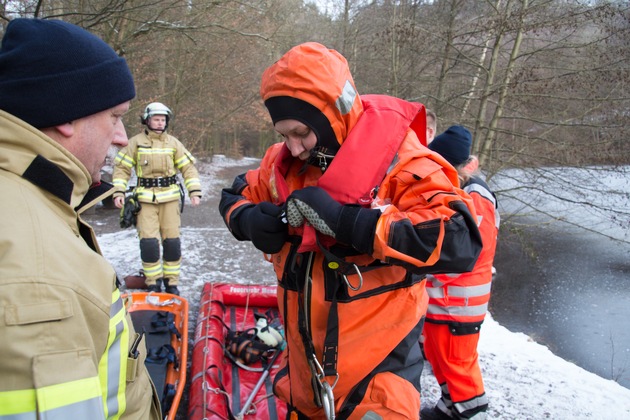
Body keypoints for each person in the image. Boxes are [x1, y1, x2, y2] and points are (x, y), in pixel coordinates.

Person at [219, 42, 483, 419]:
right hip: (304, 377)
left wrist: (352, 223)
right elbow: (234, 196)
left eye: (301, 133)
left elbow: (461, 240)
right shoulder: (282, 166)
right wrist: (248, 220)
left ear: (332, 116)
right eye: (283, 134)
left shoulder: (405, 164)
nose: (292, 148)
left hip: (378, 376)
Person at [0, 18, 160, 419]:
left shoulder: (35, 197)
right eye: (114, 116)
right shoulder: (38, 271)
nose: (122, 136)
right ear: (65, 115)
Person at [421, 126, 500, 420]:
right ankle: (449, 407)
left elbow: (468, 251)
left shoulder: (475, 196)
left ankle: (471, 412)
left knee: (458, 364)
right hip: (443, 299)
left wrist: (427, 272)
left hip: (459, 303)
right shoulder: (456, 190)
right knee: (440, 358)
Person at [112, 102, 202, 296]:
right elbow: (122, 169)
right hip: (145, 201)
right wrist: (118, 191)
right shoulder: (134, 143)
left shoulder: (173, 143)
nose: (160, 123)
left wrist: (194, 191)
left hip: (169, 200)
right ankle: (153, 282)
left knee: (172, 243)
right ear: (147, 120)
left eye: (163, 120)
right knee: (149, 244)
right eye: (156, 119)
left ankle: (172, 282)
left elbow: (188, 168)